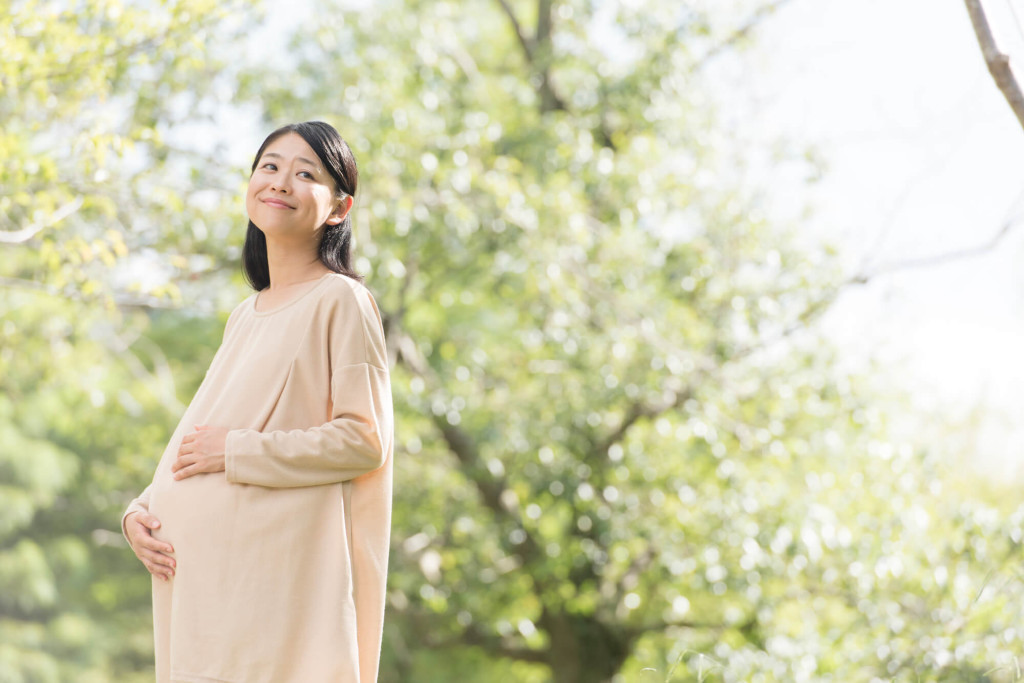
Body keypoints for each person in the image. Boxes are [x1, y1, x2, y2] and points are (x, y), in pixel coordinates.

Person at [120, 121, 394, 683]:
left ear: (339, 208)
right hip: (206, 591)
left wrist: (240, 452)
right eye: (269, 165)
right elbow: (205, 432)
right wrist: (142, 511)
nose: (281, 181)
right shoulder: (245, 314)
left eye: (305, 173)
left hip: (277, 590)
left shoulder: (341, 300)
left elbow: (365, 440)